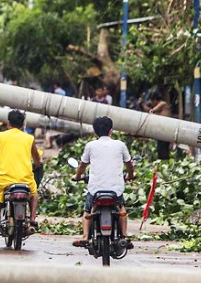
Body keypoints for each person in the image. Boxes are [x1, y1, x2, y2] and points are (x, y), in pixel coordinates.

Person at [72, 116, 135, 251]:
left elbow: (82, 166)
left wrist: (77, 176)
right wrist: (130, 175)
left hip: (95, 190)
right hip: (115, 190)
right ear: (111, 131)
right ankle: (123, 236)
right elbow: (130, 165)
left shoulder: (90, 145)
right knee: (122, 209)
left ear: (95, 133)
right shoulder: (120, 145)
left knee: (87, 210)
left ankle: (85, 236)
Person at [0, 110, 41, 230]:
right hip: (25, 179)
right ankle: (32, 218)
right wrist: (37, 165)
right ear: (23, 124)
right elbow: (36, 157)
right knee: (34, 194)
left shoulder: (1, 136)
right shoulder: (29, 138)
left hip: (5, 179)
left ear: (8, 123)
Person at [143, 91, 172, 160]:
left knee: (163, 149)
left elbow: (152, 110)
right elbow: (150, 111)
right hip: (161, 131)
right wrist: (142, 104)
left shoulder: (163, 104)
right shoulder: (159, 110)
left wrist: (151, 109)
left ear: (155, 100)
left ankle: (165, 161)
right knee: (161, 149)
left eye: (152, 101)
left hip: (166, 131)